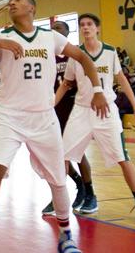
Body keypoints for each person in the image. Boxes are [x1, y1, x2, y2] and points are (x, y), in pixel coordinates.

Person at [0, 0, 108, 253]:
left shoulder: (50, 37)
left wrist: (98, 90)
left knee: (58, 178)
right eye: (10, 0)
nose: (12, 3)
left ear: (31, 8)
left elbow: (85, 59)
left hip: (44, 117)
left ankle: (66, 235)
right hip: (9, 116)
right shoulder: (1, 37)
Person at [56, 12, 135, 223]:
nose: (85, 27)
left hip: (106, 110)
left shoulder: (109, 51)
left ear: (97, 28)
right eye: (82, 25)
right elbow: (66, 83)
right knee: (62, 156)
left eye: (89, 24)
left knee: (122, 158)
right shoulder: (76, 54)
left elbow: (123, 81)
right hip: (81, 109)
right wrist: (50, 105)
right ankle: (59, 200)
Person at [41, 20, 89, 215]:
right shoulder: (46, 56)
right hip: (53, 109)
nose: (54, 31)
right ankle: (73, 186)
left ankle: (88, 190)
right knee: (55, 155)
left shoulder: (74, 55)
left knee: (76, 153)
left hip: (73, 108)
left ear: (67, 34)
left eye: (59, 29)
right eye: (52, 29)